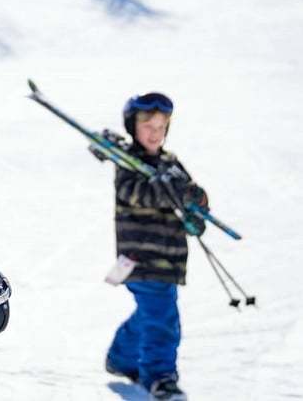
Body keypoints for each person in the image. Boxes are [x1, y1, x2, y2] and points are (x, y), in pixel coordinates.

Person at [105, 93, 209, 401]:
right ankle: (159, 377)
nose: (155, 132)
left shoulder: (171, 165)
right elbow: (135, 193)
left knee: (152, 315)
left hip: (170, 259)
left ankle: (121, 358)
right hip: (140, 258)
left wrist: (197, 206)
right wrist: (167, 189)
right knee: (162, 318)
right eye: (148, 125)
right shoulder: (129, 164)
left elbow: (188, 198)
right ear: (132, 127)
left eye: (161, 126)